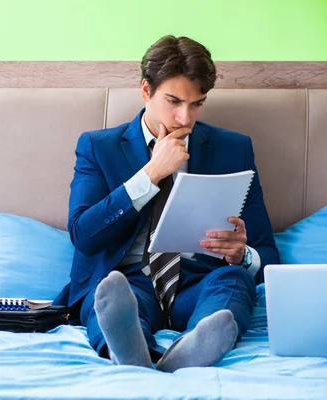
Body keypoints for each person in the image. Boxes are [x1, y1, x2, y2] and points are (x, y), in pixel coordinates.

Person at [59, 35, 279, 372]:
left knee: (234, 281)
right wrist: (150, 174)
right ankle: (132, 351)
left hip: (198, 284)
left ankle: (196, 344)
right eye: (173, 101)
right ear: (146, 90)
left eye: (196, 104)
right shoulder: (98, 147)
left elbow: (267, 252)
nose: (183, 118)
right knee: (110, 294)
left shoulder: (234, 149)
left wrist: (243, 254)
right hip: (129, 278)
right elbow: (83, 235)